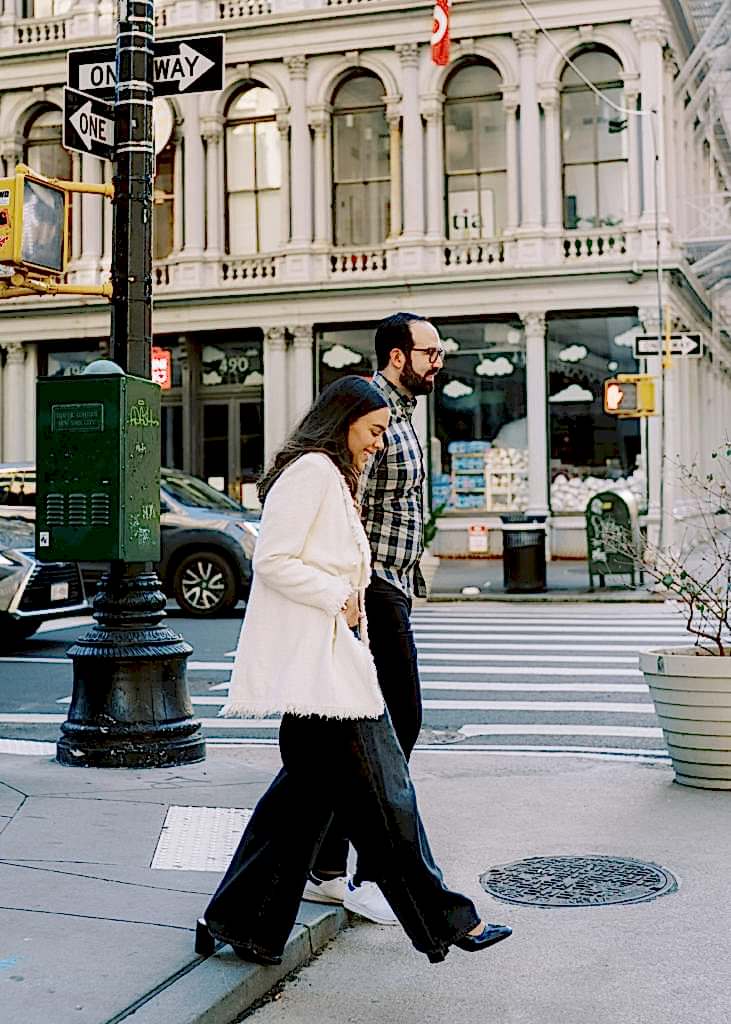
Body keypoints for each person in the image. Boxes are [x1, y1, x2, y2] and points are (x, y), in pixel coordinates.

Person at [196, 375, 511, 966]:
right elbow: (272, 558)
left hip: (331, 665)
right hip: (325, 673)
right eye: (373, 431)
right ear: (342, 423)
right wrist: (336, 592)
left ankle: (237, 921)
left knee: (299, 810)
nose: (379, 443)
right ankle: (447, 922)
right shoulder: (314, 471)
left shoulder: (335, 477)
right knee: (388, 798)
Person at [307, 313, 444, 924]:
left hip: (395, 585)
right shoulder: (366, 416)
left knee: (370, 731)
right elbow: (344, 502)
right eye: (430, 352)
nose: (439, 362)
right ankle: (353, 868)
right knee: (393, 724)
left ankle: (331, 863)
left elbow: (402, 504)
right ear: (396, 356)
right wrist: (354, 589)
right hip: (372, 589)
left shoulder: (403, 414)